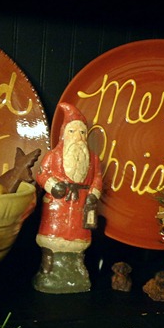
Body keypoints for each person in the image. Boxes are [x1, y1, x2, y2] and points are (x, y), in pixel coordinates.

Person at [33, 102, 103, 293]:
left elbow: (97, 178)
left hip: (81, 203)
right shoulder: (53, 156)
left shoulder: (93, 158)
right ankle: (47, 266)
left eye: (82, 132)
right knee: (52, 235)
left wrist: (93, 194)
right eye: (73, 131)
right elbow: (42, 174)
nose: (78, 136)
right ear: (64, 134)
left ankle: (78, 266)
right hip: (58, 205)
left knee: (79, 236)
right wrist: (53, 185)